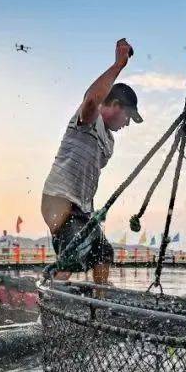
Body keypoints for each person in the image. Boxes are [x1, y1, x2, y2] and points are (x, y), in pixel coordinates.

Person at [41, 38, 141, 285]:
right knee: (75, 251)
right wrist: (119, 64)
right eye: (128, 116)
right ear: (115, 105)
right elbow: (91, 100)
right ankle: (55, 300)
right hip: (59, 199)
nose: (127, 123)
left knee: (103, 252)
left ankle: (99, 304)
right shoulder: (89, 119)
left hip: (82, 210)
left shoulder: (109, 142)